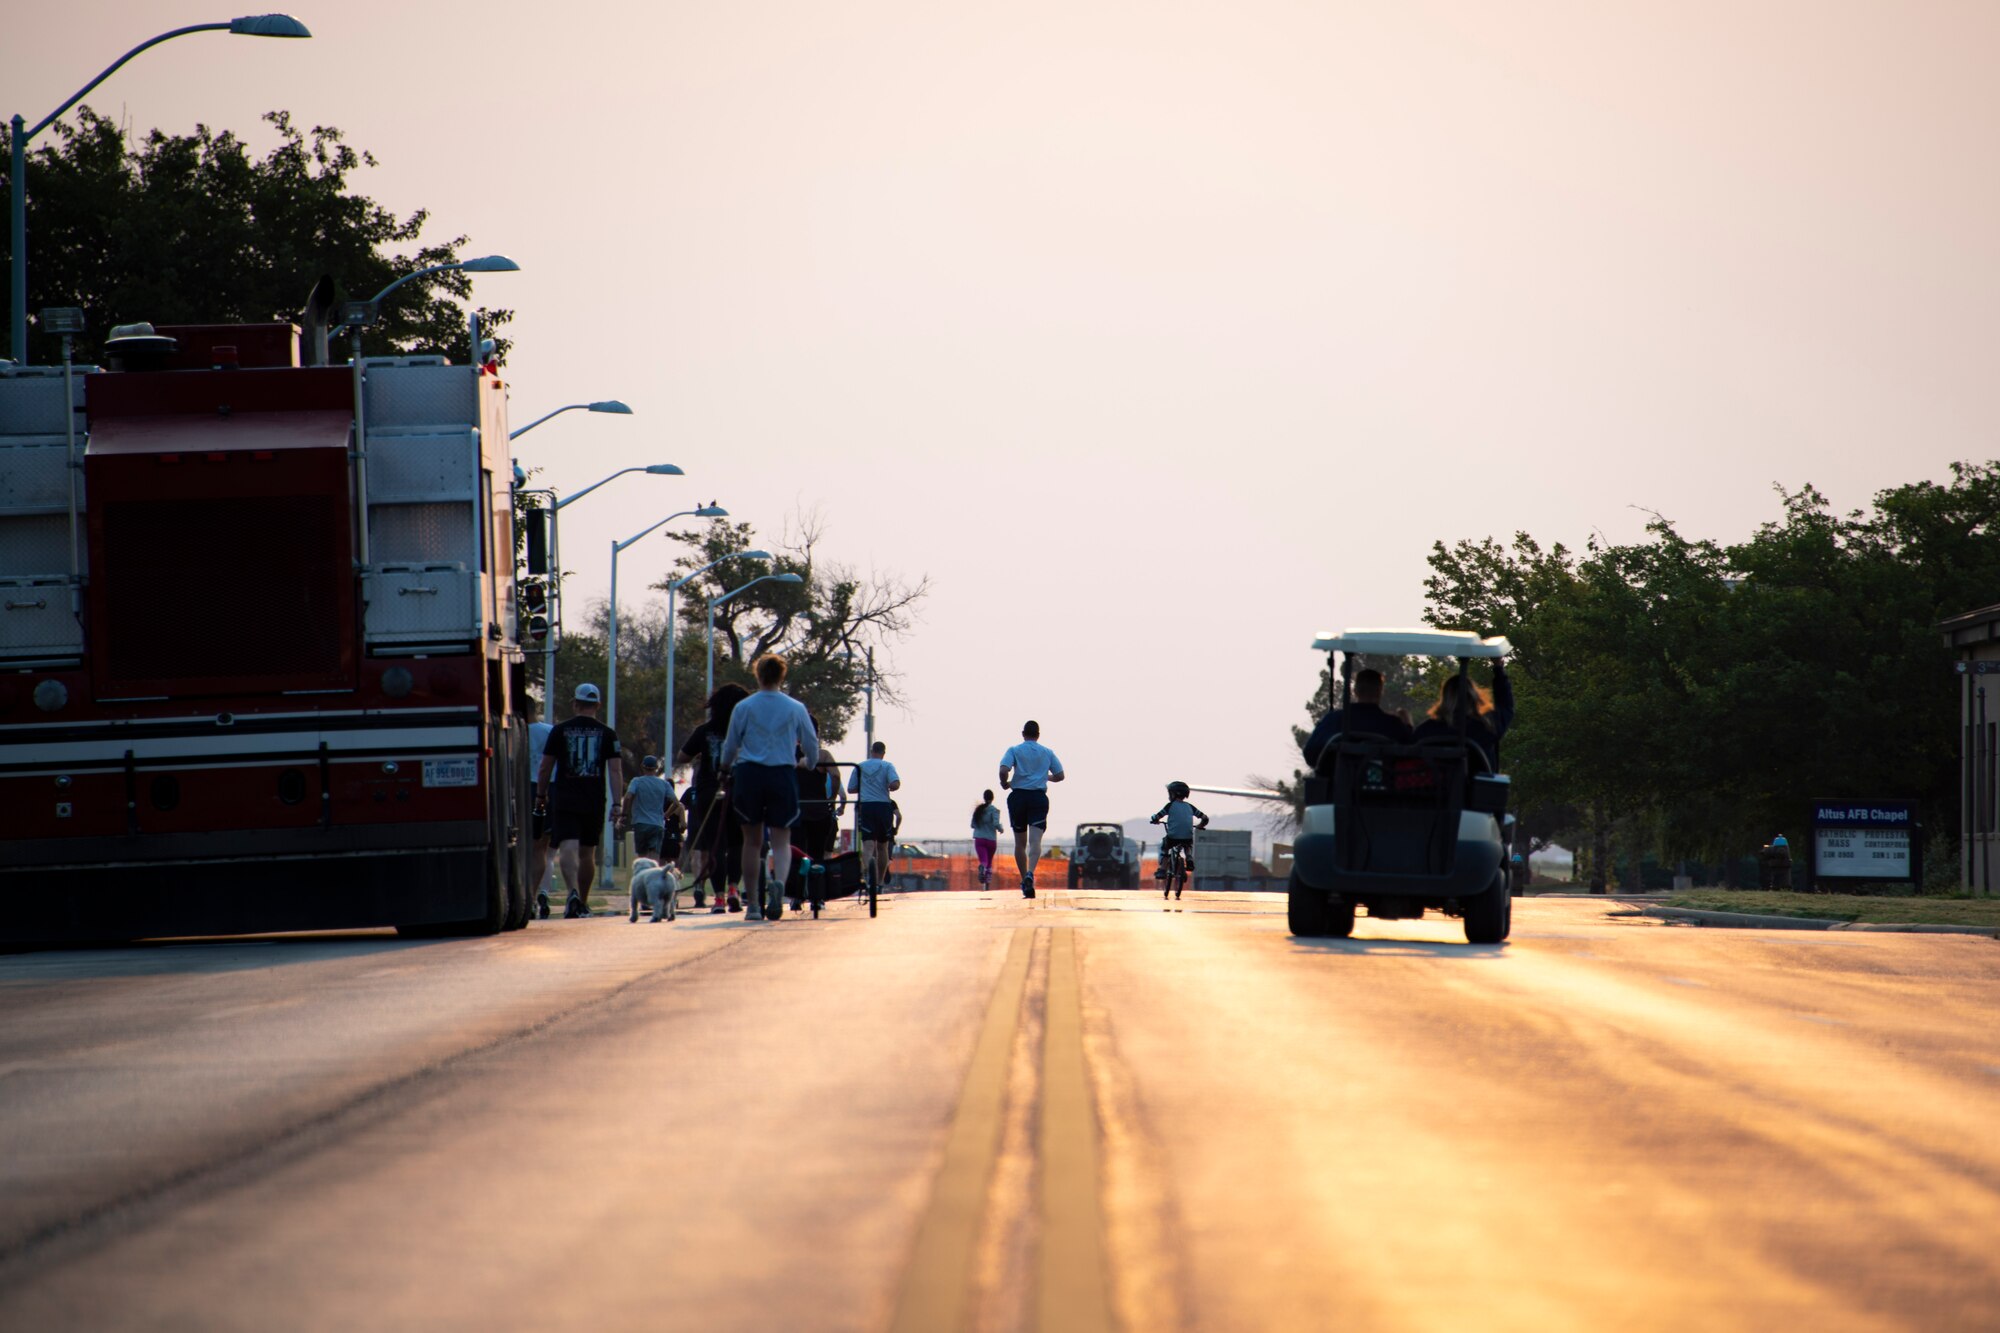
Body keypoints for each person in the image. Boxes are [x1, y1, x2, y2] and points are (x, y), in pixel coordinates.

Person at [720, 653, 820, 922]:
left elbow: (730, 744)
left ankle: (753, 904)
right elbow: (811, 744)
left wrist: (724, 768)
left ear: (758, 674)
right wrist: (808, 763)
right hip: (782, 774)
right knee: (781, 840)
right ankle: (779, 885)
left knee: (751, 842)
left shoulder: (744, 707)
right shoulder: (795, 708)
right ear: (782, 675)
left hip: (750, 774)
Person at [536, 682, 625, 917]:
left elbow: (545, 767)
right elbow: (615, 771)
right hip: (594, 799)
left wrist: (541, 795)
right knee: (588, 852)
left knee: (567, 845)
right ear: (598, 705)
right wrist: (618, 803)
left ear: (575, 704)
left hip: (565, 797)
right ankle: (582, 901)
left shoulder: (559, 730)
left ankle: (572, 891)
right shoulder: (608, 733)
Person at [680, 683, 749, 912]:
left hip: (709, 792)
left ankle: (718, 898)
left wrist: (701, 755)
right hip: (739, 791)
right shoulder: (745, 731)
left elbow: (682, 757)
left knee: (715, 846)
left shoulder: (704, 731)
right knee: (738, 843)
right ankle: (733, 889)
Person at [1410, 659, 1515, 772]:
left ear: (1444, 698)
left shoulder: (1425, 731)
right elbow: (1506, 705)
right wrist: (1498, 668)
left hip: (1436, 788)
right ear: (1474, 697)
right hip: (1475, 789)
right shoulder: (1486, 727)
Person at [1301, 667, 1415, 770]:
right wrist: (1408, 726)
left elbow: (1311, 754)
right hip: (1384, 789)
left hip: (1340, 788)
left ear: (1355, 691)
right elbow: (1411, 753)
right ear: (1380, 692)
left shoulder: (1334, 720)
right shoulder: (1393, 725)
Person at [999, 720, 1064, 899]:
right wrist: (1045, 777)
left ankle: (1023, 880)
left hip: (1018, 797)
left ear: (1023, 733)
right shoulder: (1047, 752)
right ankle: (1030, 873)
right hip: (1038, 798)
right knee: (1035, 842)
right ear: (1038, 735)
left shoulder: (1014, 750)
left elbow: (1004, 769)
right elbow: (1060, 775)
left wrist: (1004, 783)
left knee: (1020, 843)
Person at [791, 749, 845, 912]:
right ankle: (818, 896)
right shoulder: (823, 755)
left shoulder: (789, 753)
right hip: (819, 810)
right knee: (818, 854)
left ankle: (796, 896)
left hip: (797, 809)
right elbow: (835, 776)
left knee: (798, 854)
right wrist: (832, 798)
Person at [847, 740, 901, 888]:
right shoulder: (887, 766)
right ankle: (879, 882)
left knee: (868, 844)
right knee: (883, 846)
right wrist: (887, 786)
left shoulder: (860, 766)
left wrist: (865, 786)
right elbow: (895, 784)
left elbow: (851, 789)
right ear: (883, 753)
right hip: (883, 807)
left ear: (871, 751)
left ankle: (865, 874)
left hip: (866, 807)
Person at [1149, 781, 1210, 900]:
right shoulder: (1190, 807)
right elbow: (1205, 818)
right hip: (1187, 835)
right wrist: (1200, 825)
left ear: (1173, 794)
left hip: (1173, 836)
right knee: (1188, 844)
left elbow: (1158, 816)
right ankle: (1189, 858)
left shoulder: (1170, 806)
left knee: (1165, 846)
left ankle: (1162, 870)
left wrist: (1154, 820)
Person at [525, 697, 555, 918]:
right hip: (546, 789)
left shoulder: (514, 732)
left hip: (520, 786)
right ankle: (532, 896)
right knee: (540, 849)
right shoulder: (549, 732)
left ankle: (527, 895)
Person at [619, 756, 679, 864]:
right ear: (656, 768)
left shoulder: (636, 781)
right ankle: (653, 878)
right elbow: (676, 803)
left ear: (642, 767)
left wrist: (624, 814)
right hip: (657, 824)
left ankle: (644, 878)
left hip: (640, 823)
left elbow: (627, 797)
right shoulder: (664, 784)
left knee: (642, 859)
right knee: (654, 860)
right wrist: (666, 815)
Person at [970, 789, 1003, 888]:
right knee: (989, 861)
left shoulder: (978, 810)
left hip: (979, 839)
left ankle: (982, 867)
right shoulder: (994, 810)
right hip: (991, 840)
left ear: (984, 798)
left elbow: (972, 825)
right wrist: (1001, 829)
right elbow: (996, 824)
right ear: (993, 798)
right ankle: (987, 884)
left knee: (983, 860)